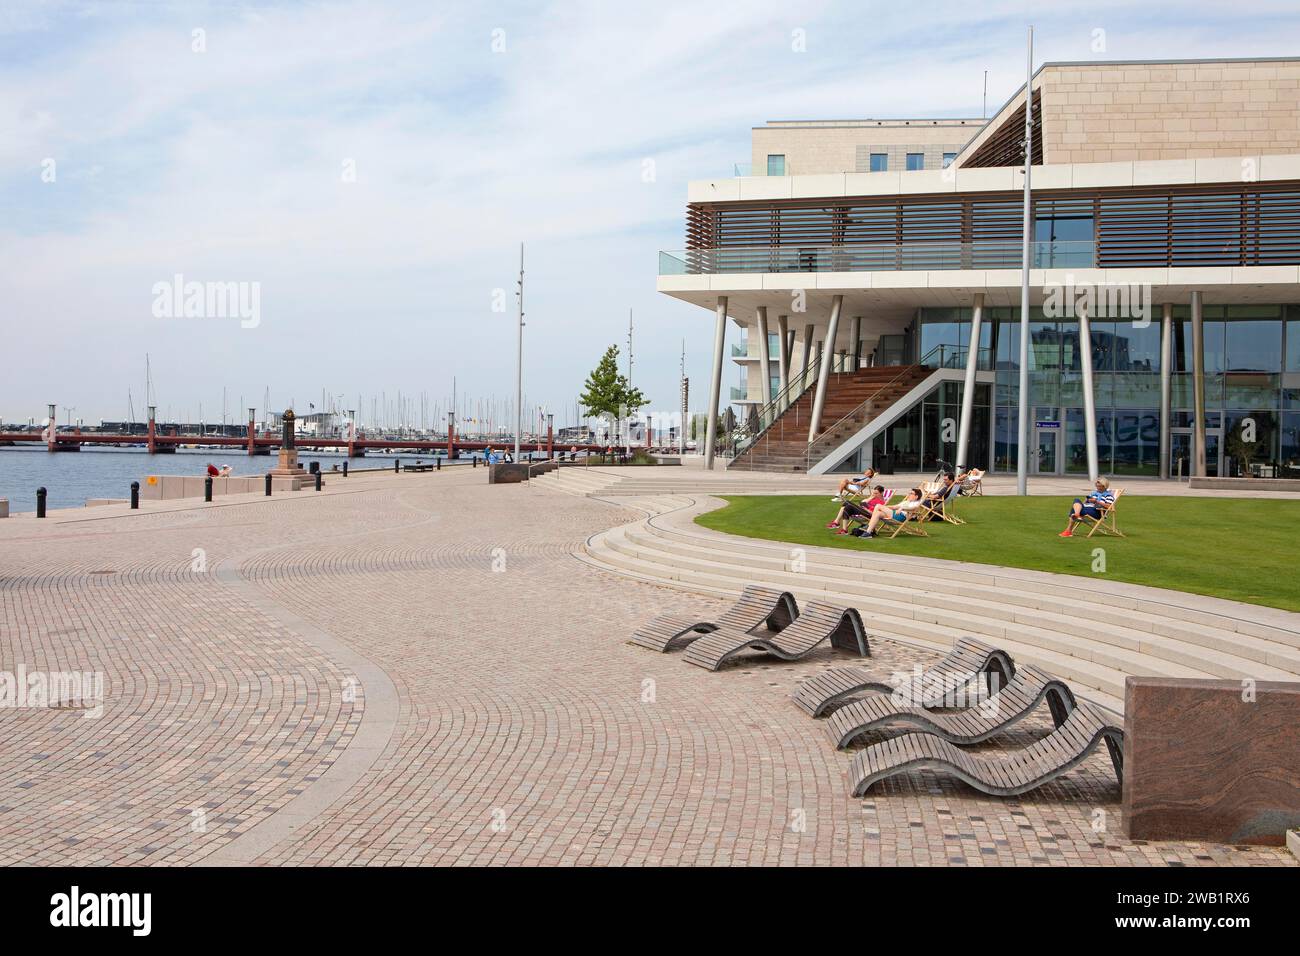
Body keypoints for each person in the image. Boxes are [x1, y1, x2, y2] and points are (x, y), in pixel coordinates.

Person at [859, 488, 925, 538]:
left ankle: (869, 526)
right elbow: (894, 507)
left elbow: (913, 509)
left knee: (878, 506)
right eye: (910, 493)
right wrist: (884, 507)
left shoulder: (916, 503)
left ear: (916, 496)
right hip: (894, 513)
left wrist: (902, 508)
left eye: (911, 493)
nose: (909, 494)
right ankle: (868, 533)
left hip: (900, 516)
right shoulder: (906, 502)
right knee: (878, 513)